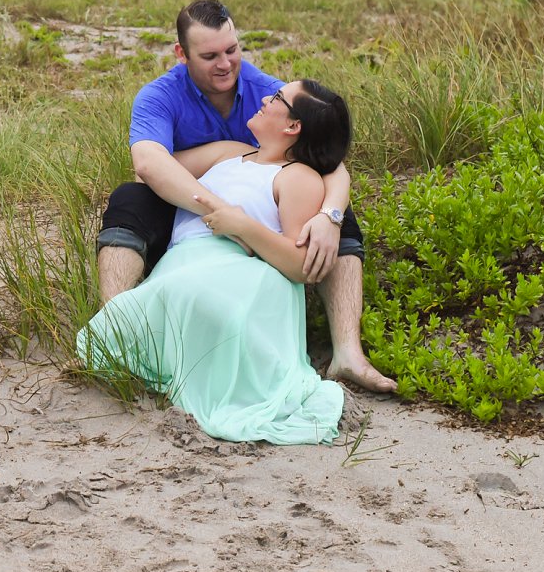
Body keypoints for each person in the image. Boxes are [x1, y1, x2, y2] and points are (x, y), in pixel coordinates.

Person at [95, 0, 396, 393]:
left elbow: (329, 161)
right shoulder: (160, 96)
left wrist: (331, 215)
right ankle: (114, 332)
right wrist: (220, 211)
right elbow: (149, 164)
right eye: (210, 56)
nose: (225, 64)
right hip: (188, 206)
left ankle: (347, 352)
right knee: (130, 200)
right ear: (181, 54)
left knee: (339, 215)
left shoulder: (268, 94)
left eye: (232, 50)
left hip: (264, 217)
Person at [76, 79, 351, 442]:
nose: (266, 99)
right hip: (185, 259)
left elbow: (300, 266)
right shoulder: (228, 152)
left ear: (292, 126)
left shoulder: (297, 177)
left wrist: (243, 226)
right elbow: (161, 168)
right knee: (124, 319)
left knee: (192, 296)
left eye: (278, 98)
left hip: (237, 269)